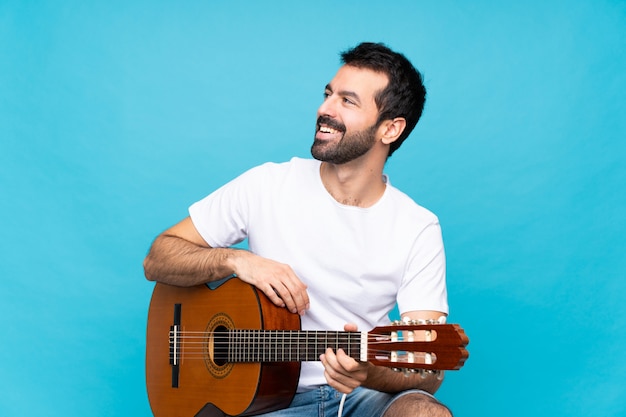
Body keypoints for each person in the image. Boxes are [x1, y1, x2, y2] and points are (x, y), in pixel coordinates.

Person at [144, 42, 453, 417]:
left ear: (390, 128)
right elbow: (158, 258)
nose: (325, 109)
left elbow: (429, 372)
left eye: (347, 101)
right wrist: (236, 260)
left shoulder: (416, 226)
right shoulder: (266, 185)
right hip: (262, 401)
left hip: (358, 397)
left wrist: (368, 372)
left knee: (425, 412)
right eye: (328, 94)